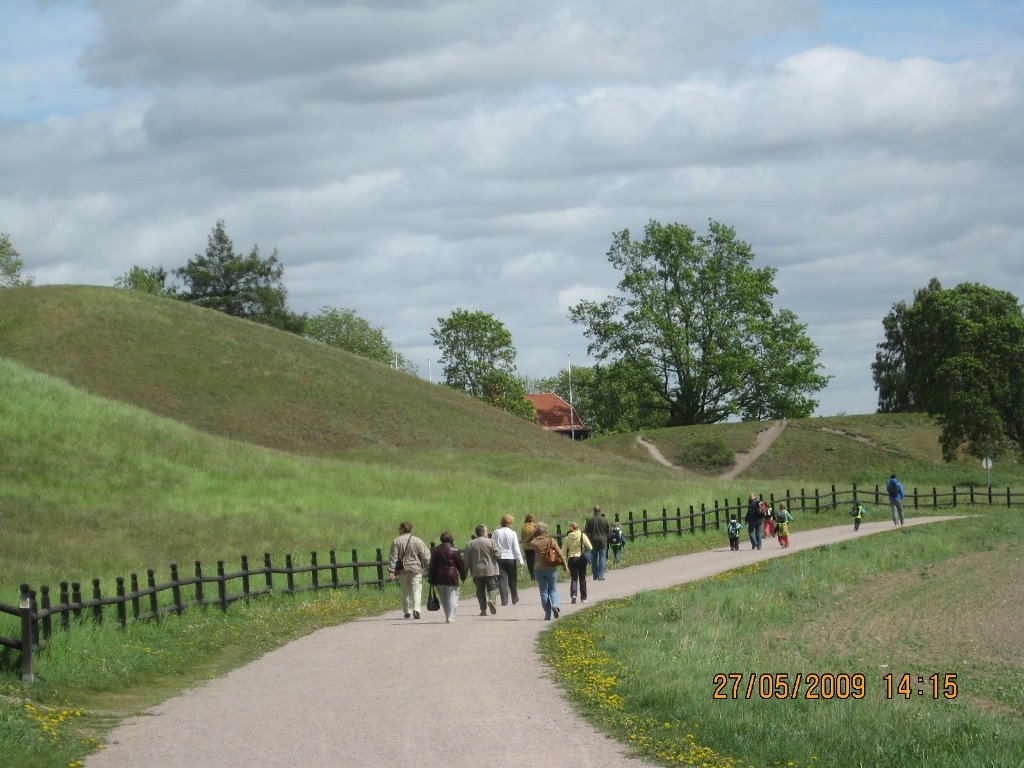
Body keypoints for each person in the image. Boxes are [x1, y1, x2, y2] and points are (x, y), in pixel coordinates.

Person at [387, 522, 431, 619]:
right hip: (416, 569)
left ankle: (407, 611)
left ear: (403, 529)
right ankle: (416, 610)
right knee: (416, 590)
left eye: (399, 528)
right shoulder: (418, 541)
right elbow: (426, 556)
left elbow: (393, 557)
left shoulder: (396, 541)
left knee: (405, 591)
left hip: (403, 570)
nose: (398, 530)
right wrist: (429, 567)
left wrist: (391, 571)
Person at [525, 523, 566, 620]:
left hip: (538, 568)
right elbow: (560, 553)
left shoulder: (535, 542)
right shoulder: (551, 540)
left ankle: (548, 614)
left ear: (537, 531)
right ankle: (555, 605)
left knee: (543, 591)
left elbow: (526, 543)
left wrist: (532, 534)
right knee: (553, 589)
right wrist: (565, 565)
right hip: (551, 568)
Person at [427, 531, 468, 623]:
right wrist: (463, 576)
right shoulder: (455, 550)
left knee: (443, 598)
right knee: (452, 596)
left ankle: (447, 615)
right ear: (451, 539)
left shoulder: (435, 550)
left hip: (438, 576)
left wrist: (431, 578)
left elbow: (432, 566)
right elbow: (460, 565)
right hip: (451, 576)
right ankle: (451, 616)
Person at [464, 524, 502, 616]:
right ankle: (492, 600)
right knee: (492, 587)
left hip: (477, 571)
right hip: (491, 570)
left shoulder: (470, 544)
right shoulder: (491, 542)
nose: (487, 532)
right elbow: (498, 555)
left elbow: (466, 560)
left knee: (480, 590)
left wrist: (464, 572)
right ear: (482, 532)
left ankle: (483, 610)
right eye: (486, 531)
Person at [491, 514, 525, 606]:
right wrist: (521, 560)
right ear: (509, 523)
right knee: (512, 578)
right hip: (510, 558)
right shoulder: (512, 533)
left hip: (499, 558)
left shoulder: (496, 532)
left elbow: (492, 544)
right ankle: (514, 596)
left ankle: (504, 599)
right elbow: (516, 548)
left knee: (501, 579)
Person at [562, 522, 593, 604]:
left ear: (570, 528)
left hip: (571, 558)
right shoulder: (582, 535)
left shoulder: (567, 538)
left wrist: (564, 562)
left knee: (574, 578)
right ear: (577, 527)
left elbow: (563, 552)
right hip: (581, 557)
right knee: (582, 578)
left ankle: (573, 594)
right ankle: (583, 598)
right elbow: (590, 547)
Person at [584, 505, 611, 580]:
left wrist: (589, 540)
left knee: (594, 559)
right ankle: (601, 575)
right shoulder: (605, 520)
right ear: (600, 511)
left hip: (593, 541)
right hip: (603, 541)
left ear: (594, 511)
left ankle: (595, 575)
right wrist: (607, 538)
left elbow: (587, 532)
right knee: (602, 558)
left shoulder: (590, 520)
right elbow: (609, 531)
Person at [520, 514, 538, 581]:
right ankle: (536, 576)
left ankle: (532, 576)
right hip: (534, 546)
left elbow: (522, 537)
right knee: (535, 561)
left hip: (526, 547)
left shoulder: (523, 527)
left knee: (529, 562)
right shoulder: (534, 527)